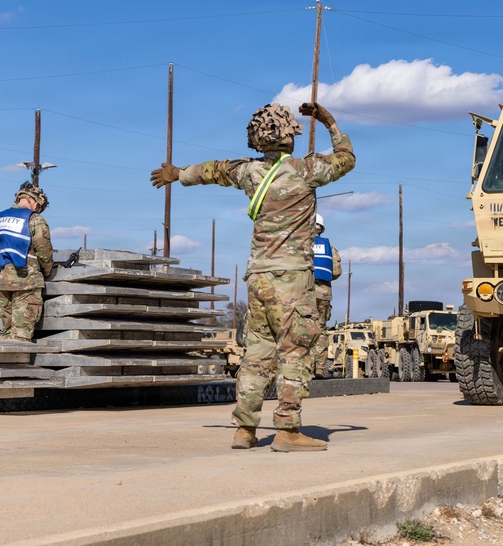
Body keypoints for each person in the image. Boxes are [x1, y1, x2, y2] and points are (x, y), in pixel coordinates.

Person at [150, 101, 354, 452]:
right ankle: (288, 431)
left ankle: (245, 429)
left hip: (257, 277)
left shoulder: (249, 173)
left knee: (257, 353)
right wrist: (330, 122)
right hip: (292, 279)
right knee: (295, 351)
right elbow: (346, 159)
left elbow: (212, 170)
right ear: (289, 135)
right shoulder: (307, 170)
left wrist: (177, 174)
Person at [0, 183, 53, 342]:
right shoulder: (34, 220)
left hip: (3, 282)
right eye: (39, 207)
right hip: (26, 282)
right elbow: (44, 251)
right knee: (21, 335)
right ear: (35, 201)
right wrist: (48, 271)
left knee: (6, 332)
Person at [308, 214, 341, 380]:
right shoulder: (329, 246)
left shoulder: (300, 243)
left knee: (304, 329)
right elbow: (336, 271)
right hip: (324, 295)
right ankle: (319, 368)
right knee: (321, 330)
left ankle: (305, 368)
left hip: (304, 292)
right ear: (322, 228)